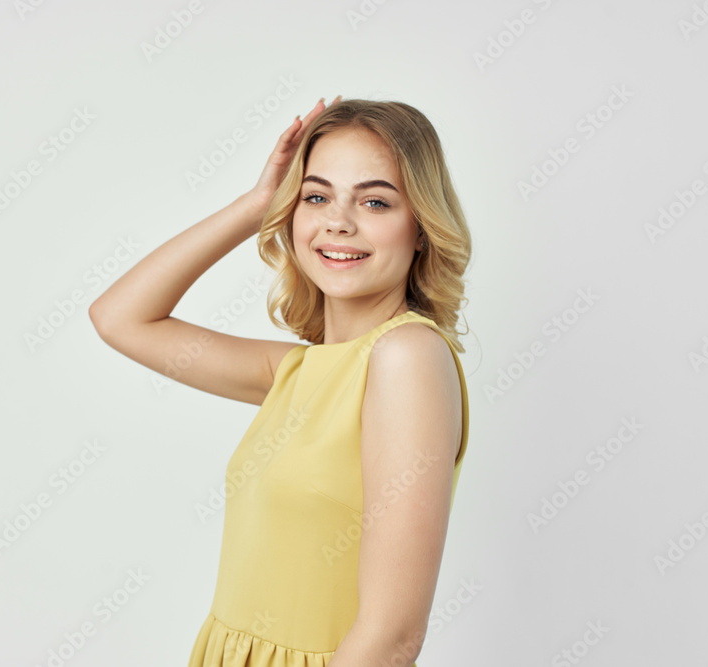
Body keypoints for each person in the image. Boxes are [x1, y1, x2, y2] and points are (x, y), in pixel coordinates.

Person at [89, 95, 472, 667]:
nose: (338, 221)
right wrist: (256, 205)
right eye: (316, 196)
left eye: (375, 201)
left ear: (421, 227)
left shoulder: (405, 357)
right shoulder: (297, 371)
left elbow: (392, 637)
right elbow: (119, 318)